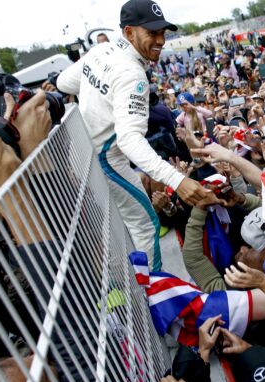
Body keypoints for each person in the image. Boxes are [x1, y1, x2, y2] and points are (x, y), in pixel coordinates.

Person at [57, 0, 213, 271]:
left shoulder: (101, 50)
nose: (161, 40)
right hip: (104, 158)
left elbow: (63, 83)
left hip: (82, 149)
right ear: (129, 32)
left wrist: (98, 93)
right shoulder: (133, 75)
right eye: (152, 33)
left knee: (125, 223)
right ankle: (155, 293)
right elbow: (130, 139)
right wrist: (178, 180)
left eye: (163, 32)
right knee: (145, 223)